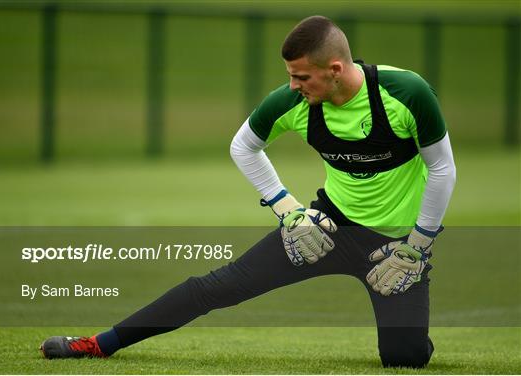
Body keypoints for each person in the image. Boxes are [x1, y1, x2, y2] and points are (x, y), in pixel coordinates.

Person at [40, 15, 456, 368]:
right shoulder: (294, 102)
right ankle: (99, 343)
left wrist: (417, 245)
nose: (293, 86)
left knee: (406, 359)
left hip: (396, 247)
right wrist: (288, 209)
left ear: (334, 69)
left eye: (301, 76)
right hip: (324, 229)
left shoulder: (406, 93)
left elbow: (442, 168)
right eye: (290, 76)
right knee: (216, 287)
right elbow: (243, 146)